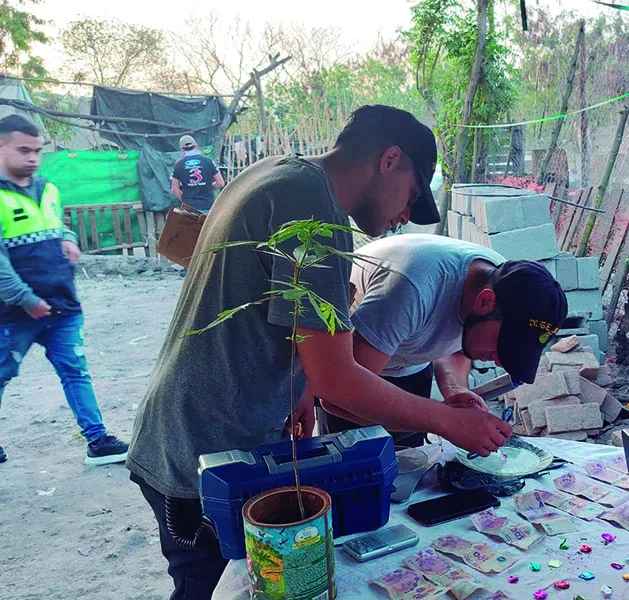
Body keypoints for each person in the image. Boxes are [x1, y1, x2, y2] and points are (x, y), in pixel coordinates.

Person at [126, 105, 513, 600]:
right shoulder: (313, 210)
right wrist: (445, 419)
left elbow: (280, 322)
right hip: (204, 452)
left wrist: (299, 388)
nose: (403, 218)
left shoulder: (274, 173)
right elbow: (340, 384)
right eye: (411, 197)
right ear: (389, 159)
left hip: (192, 430)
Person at [308, 233, 568, 446]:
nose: (500, 361)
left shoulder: (496, 282)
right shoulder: (410, 288)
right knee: (356, 474)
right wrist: (445, 421)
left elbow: (457, 340)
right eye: (504, 345)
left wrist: (455, 392)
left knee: (408, 471)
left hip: (407, 359)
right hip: (352, 366)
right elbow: (337, 398)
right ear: (484, 301)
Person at [0, 115, 129, 466]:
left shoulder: (48, 189)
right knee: (2, 373)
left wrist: (69, 240)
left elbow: (60, 225)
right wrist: (26, 300)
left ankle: (98, 439)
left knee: (75, 370)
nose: (32, 158)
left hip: (62, 306)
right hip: (13, 314)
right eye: (23, 150)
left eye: (37, 151)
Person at [170, 135, 225, 214]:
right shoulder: (209, 161)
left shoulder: (178, 164)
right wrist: (208, 187)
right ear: (196, 146)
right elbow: (221, 183)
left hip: (189, 209)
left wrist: (184, 201)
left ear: (182, 149)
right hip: (208, 207)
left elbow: (174, 189)